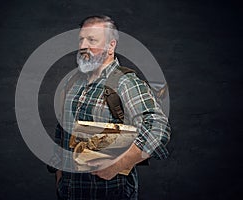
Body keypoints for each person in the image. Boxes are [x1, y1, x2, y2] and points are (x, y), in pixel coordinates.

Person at [52, 15, 171, 200]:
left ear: (111, 46)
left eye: (92, 40)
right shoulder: (71, 82)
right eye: (81, 39)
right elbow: (62, 131)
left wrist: (118, 164)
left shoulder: (125, 83)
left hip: (110, 194)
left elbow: (158, 129)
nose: (83, 45)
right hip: (68, 194)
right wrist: (60, 178)